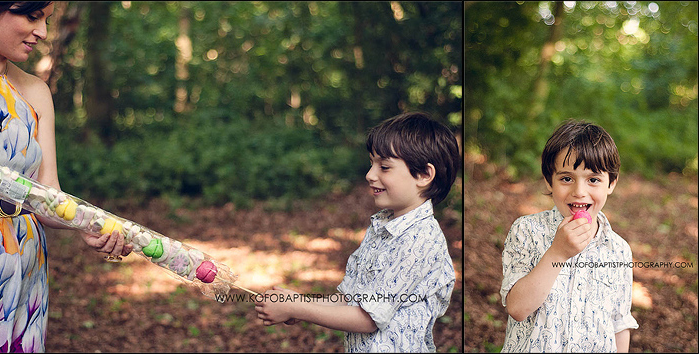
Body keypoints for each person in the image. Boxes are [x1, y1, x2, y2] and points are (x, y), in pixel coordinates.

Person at [0, 2, 132, 352]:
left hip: (22, 263)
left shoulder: (36, 91)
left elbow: (46, 193)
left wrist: (88, 223)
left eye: (47, 20)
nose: (42, 32)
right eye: (32, 16)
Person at [254, 112, 459, 352]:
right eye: (372, 163)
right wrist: (299, 305)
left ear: (424, 175)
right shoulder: (382, 227)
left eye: (384, 167)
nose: (370, 175)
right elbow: (350, 300)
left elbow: (368, 319)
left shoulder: (420, 240)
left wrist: (298, 308)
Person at [500, 119, 638, 352]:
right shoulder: (527, 231)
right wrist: (557, 253)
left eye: (593, 180)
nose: (579, 192)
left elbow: (619, 323)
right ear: (549, 181)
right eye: (566, 178)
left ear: (611, 183)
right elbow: (517, 308)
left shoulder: (619, 250)